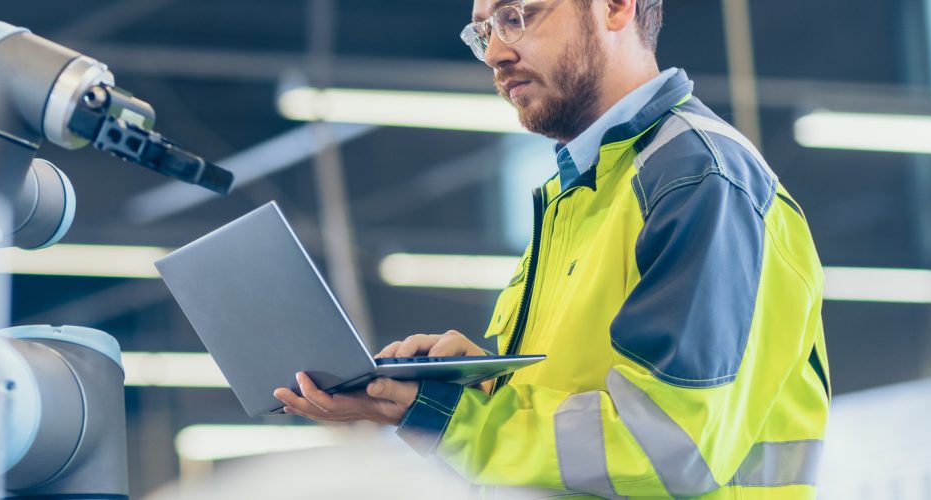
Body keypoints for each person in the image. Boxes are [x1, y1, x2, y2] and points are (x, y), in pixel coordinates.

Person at [272, 0, 829, 497]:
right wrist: (480, 384)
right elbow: (579, 413)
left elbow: (672, 446)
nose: (494, 52)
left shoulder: (696, 179)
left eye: (516, 16)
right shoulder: (581, 192)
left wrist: (451, 417)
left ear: (615, 7)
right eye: (482, 31)